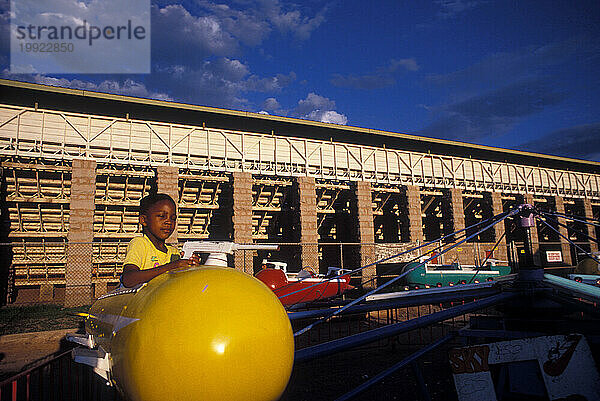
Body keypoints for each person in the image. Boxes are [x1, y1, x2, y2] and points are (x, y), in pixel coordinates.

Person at [121, 193, 199, 288]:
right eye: (162, 216)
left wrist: (190, 266)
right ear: (144, 220)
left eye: (173, 218)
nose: (168, 222)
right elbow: (128, 279)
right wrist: (171, 266)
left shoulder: (174, 252)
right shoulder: (140, 243)